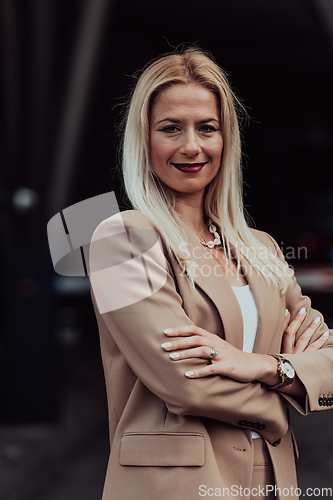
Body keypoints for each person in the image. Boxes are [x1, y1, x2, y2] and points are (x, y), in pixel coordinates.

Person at [89, 47, 333, 500]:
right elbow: (186, 386)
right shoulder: (124, 239)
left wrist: (261, 365)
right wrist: (290, 390)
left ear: (227, 139)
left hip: (274, 481)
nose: (191, 146)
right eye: (170, 129)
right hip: (176, 485)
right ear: (144, 140)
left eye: (207, 128)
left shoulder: (259, 248)